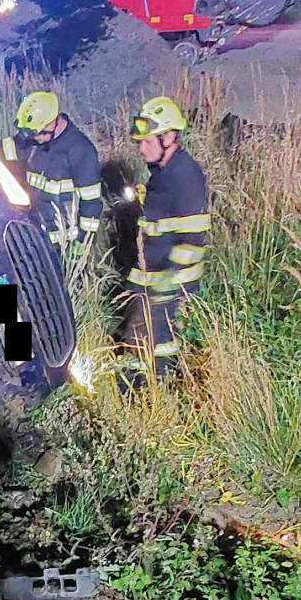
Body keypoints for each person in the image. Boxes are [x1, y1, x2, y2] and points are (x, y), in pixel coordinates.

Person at [118, 96, 209, 387]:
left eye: (147, 142)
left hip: (170, 279)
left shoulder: (185, 176)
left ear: (169, 137)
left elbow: (194, 238)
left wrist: (170, 283)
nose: (141, 148)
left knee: (157, 343)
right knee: (138, 334)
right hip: (152, 273)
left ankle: (154, 392)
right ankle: (136, 388)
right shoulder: (162, 173)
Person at [0, 91, 103, 245]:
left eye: (37, 133)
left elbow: (91, 204)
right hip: (35, 234)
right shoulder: (36, 140)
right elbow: (8, 148)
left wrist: (81, 245)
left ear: (53, 123)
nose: (33, 138)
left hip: (62, 243)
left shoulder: (81, 151)